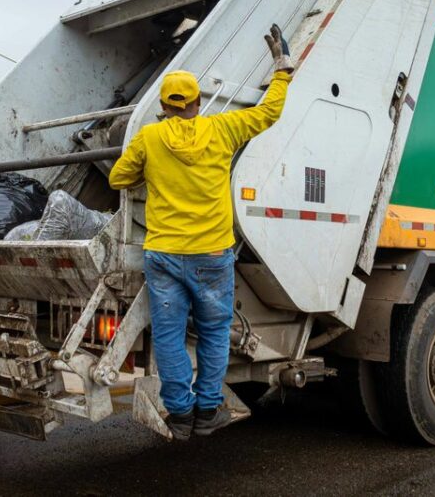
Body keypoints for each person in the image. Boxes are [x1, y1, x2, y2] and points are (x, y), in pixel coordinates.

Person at [108, 24, 295, 440]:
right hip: (212, 255)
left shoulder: (149, 137)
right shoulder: (222, 128)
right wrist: (281, 71)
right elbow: (269, 113)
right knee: (213, 333)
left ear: (163, 105)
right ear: (196, 102)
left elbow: (118, 179)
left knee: (170, 337)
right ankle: (209, 411)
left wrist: (148, 170)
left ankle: (180, 415)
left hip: (165, 256)